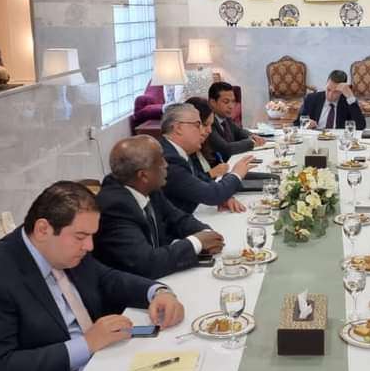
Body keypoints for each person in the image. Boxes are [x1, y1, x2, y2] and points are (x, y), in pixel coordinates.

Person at [0, 181, 186, 371]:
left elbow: (106, 279)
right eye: (81, 237)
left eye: (91, 236)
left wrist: (157, 292)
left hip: (99, 363)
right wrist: (87, 344)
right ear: (43, 229)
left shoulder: (62, 251)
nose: (89, 246)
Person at [92, 135, 225, 279]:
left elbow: (178, 219)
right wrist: (197, 242)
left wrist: (206, 233)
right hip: (133, 286)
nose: (166, 165)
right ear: (143, 175)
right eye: (161, 161)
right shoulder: (114, 207)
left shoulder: (147, 187)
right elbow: (147, 263)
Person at [157, 103, 251, 214]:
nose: (203, 131)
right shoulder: (168, 159)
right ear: (178, 128)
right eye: (197, 125)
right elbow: (213, 194)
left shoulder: (178, 151)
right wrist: (236, 174)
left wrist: (225, 197)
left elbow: (202, 180)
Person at [207, 82, 265, 159]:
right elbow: (226, 149)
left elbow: (239, 131)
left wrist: (252, 136)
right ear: (213, 102)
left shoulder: (226, 118)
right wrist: (252, 142)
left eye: (233, 101)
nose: (231, 106)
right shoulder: (208, 123)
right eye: (226, 102)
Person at [296, 70, 366, 130]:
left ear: (342, 91)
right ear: (326, 84)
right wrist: (306, 124)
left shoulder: (348, 102)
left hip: (338, 138)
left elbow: (360, 126)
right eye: (328, 89)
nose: (330, 95)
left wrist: (350, 97)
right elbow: (296, 123)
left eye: (336, 92)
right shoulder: (311, 98)